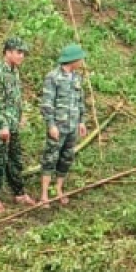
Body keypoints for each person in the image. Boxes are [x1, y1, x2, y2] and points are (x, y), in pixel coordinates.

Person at [0, 37, 37, 213]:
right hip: (1, 126)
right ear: (8, 52)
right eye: (18, 52)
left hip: (13, 123)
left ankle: (19, 192)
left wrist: (19, 117)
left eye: (23, 53)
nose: (22, 56)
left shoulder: (14, 71)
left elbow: (14, 98)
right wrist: (3, 125)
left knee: (15, 159)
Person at [39, 44, 89, 207]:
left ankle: (58, 189)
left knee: (67, 158)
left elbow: (80, 101)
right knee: (50, 157)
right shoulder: (53, 77)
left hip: (72, 126)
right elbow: (47, 103)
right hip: (58, 127)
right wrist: (51, 124)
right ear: (72, 60)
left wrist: (81, 121)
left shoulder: (77, 78)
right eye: (80, 58)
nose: (82, 61)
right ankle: (44, 195)